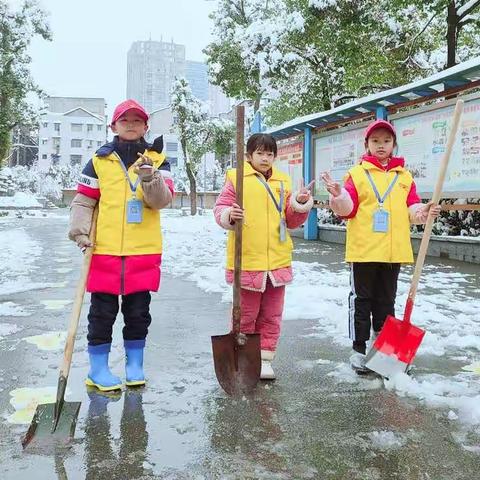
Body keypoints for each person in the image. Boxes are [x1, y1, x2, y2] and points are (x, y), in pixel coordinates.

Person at [68, 99, 174, 390]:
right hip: (104, 250)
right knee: (101, 313)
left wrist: (150, 178)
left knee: (138, 312)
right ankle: (98, 369)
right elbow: (84, 200)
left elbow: (161, 202)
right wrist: (80, 232)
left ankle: (134, 365)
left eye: (137, 120)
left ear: (145, 126)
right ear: (113, 126)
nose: (130, 124)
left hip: (144, 250)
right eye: (124, 120)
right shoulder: (99, 161)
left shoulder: (159, 159)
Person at [321, 119, 441, 373]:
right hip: (364, 249)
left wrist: (424, 211)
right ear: (367, 145)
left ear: (394, 145)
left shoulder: (404, 177)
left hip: (392, 250)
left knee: (386, 301)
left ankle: (382, 347)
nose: (381, 145)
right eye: (375, 141)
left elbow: (412, 209)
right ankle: (358, 349)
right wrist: (338, 195)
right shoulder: (357, 175)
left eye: (386, 141)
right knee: (361, 300)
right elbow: (348, 209)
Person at [214, 133, 314, 380]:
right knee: (246, 314)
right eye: (260, 153)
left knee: (271, 314)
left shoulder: (283, 182)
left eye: (270, 154)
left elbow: (290, 219)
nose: (265, 158)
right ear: (249, 155)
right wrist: (229, 215)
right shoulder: (236, 178)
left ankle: (265, 358)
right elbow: (220, 210)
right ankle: (242, 355)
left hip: (277, 261)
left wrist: (299, 203)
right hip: (247, 260)